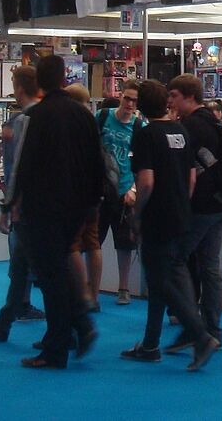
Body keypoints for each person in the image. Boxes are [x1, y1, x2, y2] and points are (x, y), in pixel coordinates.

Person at [9, 55, 104, 369]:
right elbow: (96, 160)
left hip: (45, 206)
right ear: (64, 78)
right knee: (59, 269)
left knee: (51, 278)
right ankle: (78, 328)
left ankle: (58, 345)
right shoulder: (82, 114)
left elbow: (27, 163)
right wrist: (93, 202)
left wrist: (13, 203)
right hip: (78, 205)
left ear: (39, 80)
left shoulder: (39, 115)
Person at [120, 79, 220, 370]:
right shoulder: (181, 131)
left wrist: (138, 213)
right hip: (181, 212)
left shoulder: (146, 135)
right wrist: (180, 205)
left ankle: (199, 334)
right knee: (167, 275)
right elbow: (191, 179)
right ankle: (151, 344)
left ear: (141, 106)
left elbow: (146, 182)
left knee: (160, 279)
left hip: (157, 215)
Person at [0, 65, 44, 340]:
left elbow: (17, 168)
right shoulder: (29, 118)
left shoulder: (25, 120)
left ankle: (75, 328)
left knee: (37, 269)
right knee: (21, 266)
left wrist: (8, 204)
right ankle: (7, 319)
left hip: (28, 206)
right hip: (34, 204)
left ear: (19, 88)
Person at [167, 74, 222, 351]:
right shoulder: (215, 122)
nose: (170, 101)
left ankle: (193, 327)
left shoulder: (188, 127)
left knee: (174, 261)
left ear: (189, 96)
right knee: (210, 266)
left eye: (174, 96)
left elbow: (185, 171)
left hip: (201, 205)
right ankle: (212, 330)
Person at [98, 82, 144, 305]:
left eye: (134, 101)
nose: (130, 104)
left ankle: (124, 287)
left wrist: (133, 189)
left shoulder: (139, 127)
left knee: (125, 243)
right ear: (121, 96)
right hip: (100, 189)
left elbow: (142, 164)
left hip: (124, 191)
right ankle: (91, 288)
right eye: (127, 98)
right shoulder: (102, 117)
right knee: (92, 241)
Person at [62, 83, 102, 311]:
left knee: (73, 245)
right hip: (94, 193)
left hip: (76, 194)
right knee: (93, 243)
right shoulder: (92, 123)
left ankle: (82, 295)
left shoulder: (71, 125)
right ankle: (93, 295)